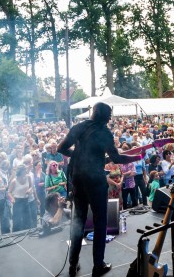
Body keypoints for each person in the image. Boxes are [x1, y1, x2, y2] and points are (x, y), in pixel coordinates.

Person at [57, 102, 140, 277]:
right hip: (95, 181)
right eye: (109, 115)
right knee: (100, 222)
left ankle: (73, 264)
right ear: (103, 115)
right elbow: (116, 158)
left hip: (78, 179)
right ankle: (98, 265)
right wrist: (137, 156)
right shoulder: (104, 133)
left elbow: (61, 148)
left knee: (78, 221)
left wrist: (78, 155)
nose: (110, 118)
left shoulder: (79, 127)